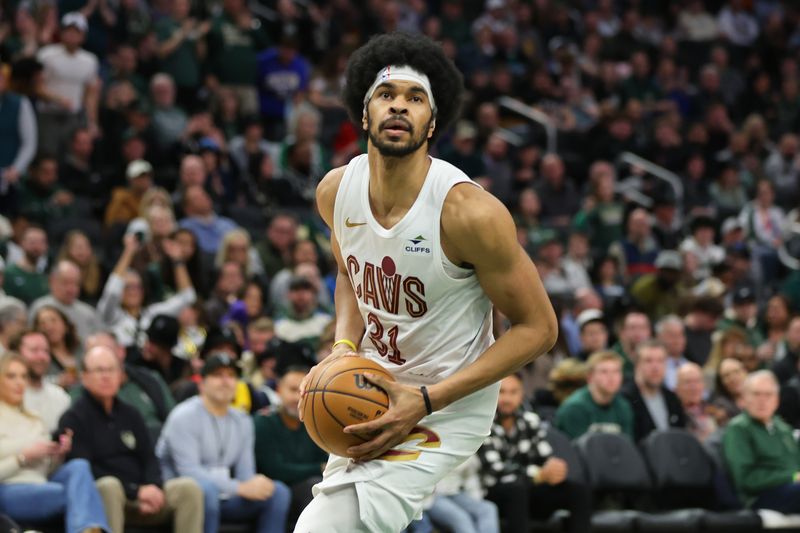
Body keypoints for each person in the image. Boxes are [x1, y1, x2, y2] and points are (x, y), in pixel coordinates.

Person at [295, 33, 557, 533]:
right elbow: (349, 275)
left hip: (449, 399)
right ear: (364, 114)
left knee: (325, 527)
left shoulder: (468, 212)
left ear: (432, 123)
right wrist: (342, 347)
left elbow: (539, 329)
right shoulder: (335, 192)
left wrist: (429, 398)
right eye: (386, 96)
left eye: (416, 99)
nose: (400, 107)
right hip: (374, 383)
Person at [58, 346, 203, 533]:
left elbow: (149, 457)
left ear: (121, 375)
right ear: (84, 377)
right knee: (109, 486)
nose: (106, 376)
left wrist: (153, 487)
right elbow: (86, 471)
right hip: (112, 497)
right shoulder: (74, 418)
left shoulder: (131, 414)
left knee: (188, 488)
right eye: (99, 370)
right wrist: (135, 491)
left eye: (111, 370)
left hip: (144, 494)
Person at [156, 353, 291, 533]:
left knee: (278, 492)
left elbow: (245, 473)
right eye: (217, 375)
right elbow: (188, 472)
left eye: (231, 376)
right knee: (207, 490)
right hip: (183, 495)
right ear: (202, 384)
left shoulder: (242, 420)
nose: (225, 381)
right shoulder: (183, 416)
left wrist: (255, 484)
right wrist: (239, 487)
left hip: (225, 494)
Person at [0, 353, 109, 533]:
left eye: (23, 376)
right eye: (11, 376)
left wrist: (57, 455)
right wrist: (22, 458)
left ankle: (84, 529)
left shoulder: (35, 419)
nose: (19, 382)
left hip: (42, 482)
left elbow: (44, 470)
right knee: (80, 495)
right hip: (9, 489)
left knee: (79, 466)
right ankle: (88, 528)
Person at [479, 374, 590, 533]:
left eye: (513, 392)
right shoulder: (482, 423)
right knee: (515, 489)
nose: (507, 398)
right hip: (494, 493)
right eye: (502, 392)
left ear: (522, 394)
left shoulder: (530, 420)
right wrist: (538, 474)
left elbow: (545, 457)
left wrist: (553, 469)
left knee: (577, 490)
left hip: (527, 489)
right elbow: (495, 470)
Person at [254, 365, 327, 525]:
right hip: (273, 490)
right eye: (293, 390)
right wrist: (318, 468)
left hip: (307, 486)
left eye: (303, 391)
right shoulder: (264, 422)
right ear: (279, 390)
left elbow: (326, 464)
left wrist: (320, 468)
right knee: (313, 487)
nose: (297, 398)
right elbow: (276, 470)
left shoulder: (315, 423)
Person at [722, 370, 800, 513]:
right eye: (756, 394)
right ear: (744, 398)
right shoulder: (739, 428)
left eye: (768, 394)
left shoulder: (783, 428)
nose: (762, 400)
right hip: (760, 497)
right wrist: (792, 477)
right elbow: (746, 480)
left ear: (777, 400)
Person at [554, 350, 635, 440]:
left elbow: (627, 446)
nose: (611, 377)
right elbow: (575, 449)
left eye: (616, 371)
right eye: (604, 372)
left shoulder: (623, 406)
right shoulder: (574, 408)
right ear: (590, 377)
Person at [621, 341, 687, 442]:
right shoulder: (625, 399)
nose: (655, 367)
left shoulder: (672, 398)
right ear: (637, 365)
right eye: (648, 361)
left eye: (660, 361)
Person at [9, 329, 70, 432]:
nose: (42, 357)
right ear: (16, 354)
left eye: (46, 351)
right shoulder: (5, 398)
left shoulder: (61, 397)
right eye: (34, 350)